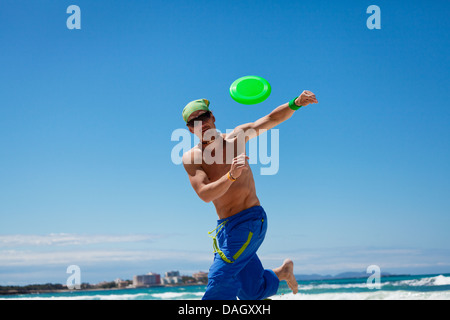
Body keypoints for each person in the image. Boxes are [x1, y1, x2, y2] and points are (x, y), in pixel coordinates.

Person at [181, 91, 318, 300]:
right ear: (190, 129)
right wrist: (231, 176)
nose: (201, 123)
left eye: (204, 117)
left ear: (213, 117)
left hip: (250, 221)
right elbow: (204, 194)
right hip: (225, 228)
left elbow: (270, 119)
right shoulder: (192, 158)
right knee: (251, 292)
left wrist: (296, 103)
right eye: (195, 122)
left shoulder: (237, 137)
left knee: (219, 279)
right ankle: (282, 273)